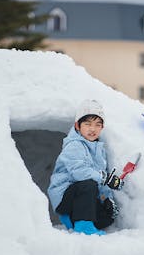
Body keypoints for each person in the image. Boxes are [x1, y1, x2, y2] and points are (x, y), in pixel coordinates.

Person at [47, 99, 123, 235]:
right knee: (88, 184)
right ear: (77, 126)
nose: (92, 129)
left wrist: (107, 198)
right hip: (65, 198)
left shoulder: (99, 150)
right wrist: (105, 179)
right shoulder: (74, 145)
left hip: (81, 198)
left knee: (106, 217)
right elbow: (80, 172)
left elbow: (101, 177)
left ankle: (76, 221)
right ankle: (81, 225)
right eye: (87, 124)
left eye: (97, 125)